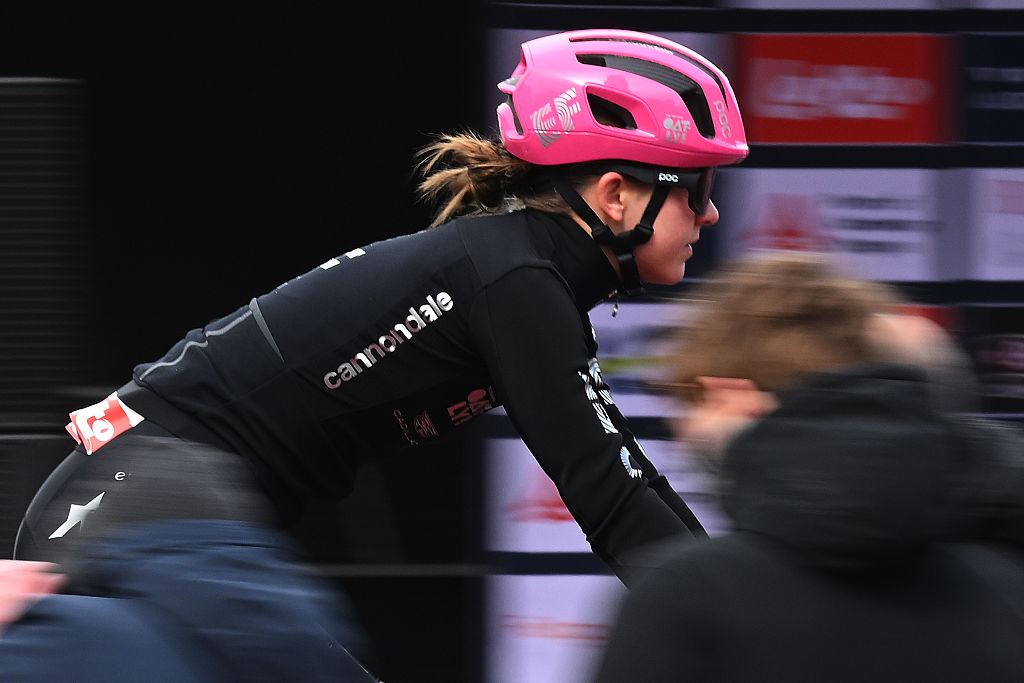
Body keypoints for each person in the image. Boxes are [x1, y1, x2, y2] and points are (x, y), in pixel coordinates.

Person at [6, 28, 747, 677]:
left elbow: (626, 480)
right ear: (616, 194)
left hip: (169, 501)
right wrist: (757, 630)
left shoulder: (525, 272)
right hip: (134, 503)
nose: (711, 212)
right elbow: (615, 503)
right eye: (697, 188)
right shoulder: (519, 282)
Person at [593, 251, 1024, 683]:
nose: (682, 435)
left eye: (689, 403)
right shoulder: (1005, 586)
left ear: (732, 397)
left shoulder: (685, 600)